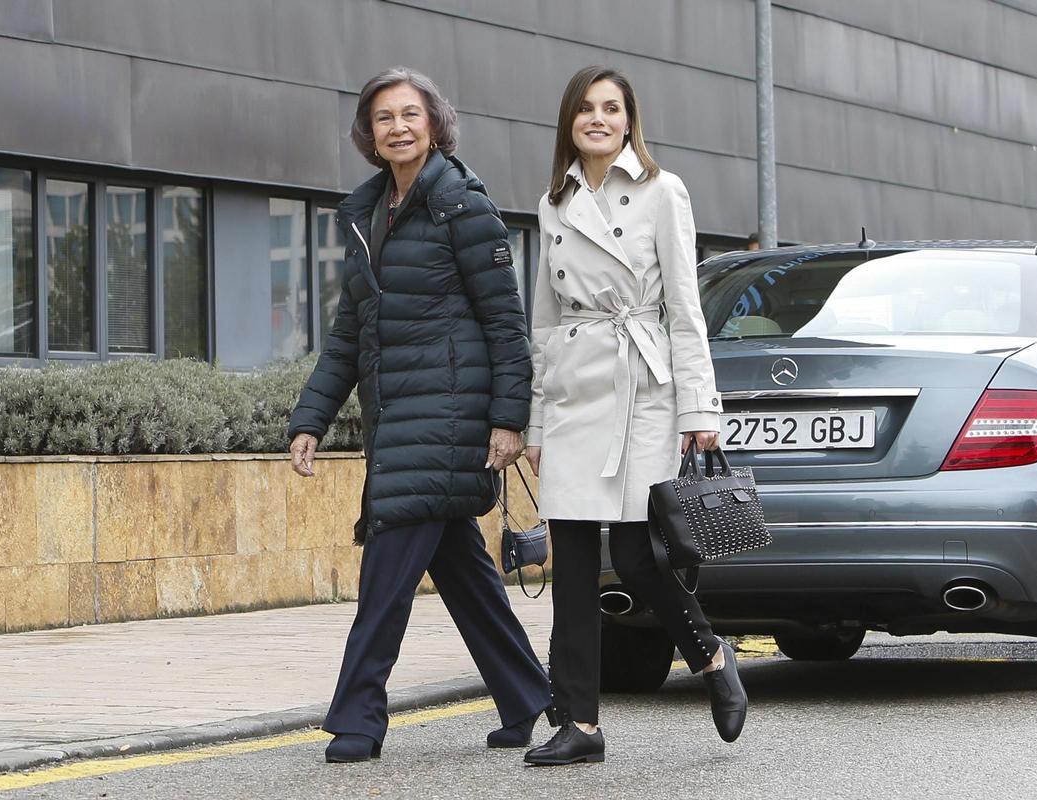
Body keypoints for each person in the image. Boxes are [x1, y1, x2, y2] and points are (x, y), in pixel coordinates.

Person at [288, 66, 550, 764]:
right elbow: (351, 334)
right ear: (368, 135)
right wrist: (310, 418)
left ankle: (356, 719)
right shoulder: (372, 214)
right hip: (398, 420)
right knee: (463, 570)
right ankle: (529, 696)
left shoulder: (463, 207)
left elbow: (505, 324)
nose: (398, 127)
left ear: (434, 124)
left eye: (410, 114)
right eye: (384, 118)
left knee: (387, 575)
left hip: (449, 420)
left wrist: (507, 419)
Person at [522, 66, 748, 766]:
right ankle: (580, 722)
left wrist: (699, 407)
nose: (598, 118)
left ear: (628, 120)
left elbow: (685, 307)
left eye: (611, 108)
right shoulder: (552, 203)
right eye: (586, 108)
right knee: (575, 562)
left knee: (636, 554)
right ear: (569, 122)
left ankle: (710, 654)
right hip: (572, 391)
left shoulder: (661, 190)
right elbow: (543, 319)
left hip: (642, 386)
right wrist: (534, 422)